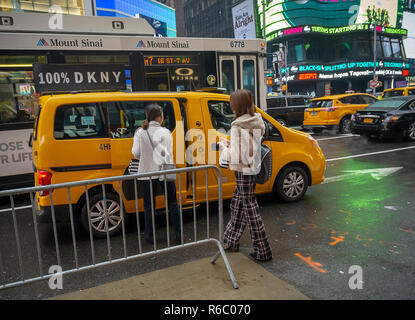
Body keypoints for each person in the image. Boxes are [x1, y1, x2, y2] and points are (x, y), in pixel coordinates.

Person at [218, 89, 272, 262]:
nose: (231, 105)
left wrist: (223, 148)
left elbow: (236, 155)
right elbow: (248, 146)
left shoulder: (237, 125)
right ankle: (231, 240)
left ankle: (263, 250)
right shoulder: (256, 120)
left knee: (249, 209)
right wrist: (232, 144)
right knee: (238, 204)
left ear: (238, 105)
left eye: (232, 103)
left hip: (242, 169)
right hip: (252, 167)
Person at [131, 104, 181, 244]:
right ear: (160, 117)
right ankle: (178, 234)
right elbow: (168, 152)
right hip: (165, 171)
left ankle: (150, 236)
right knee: (172, 203)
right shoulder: (166, 132)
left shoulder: (140, 132)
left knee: (148, 205)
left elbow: (135, 153)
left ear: (148, 116)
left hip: (147, 173)